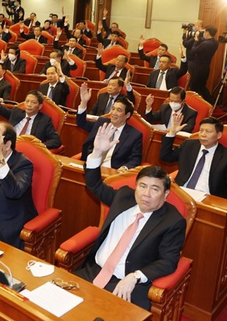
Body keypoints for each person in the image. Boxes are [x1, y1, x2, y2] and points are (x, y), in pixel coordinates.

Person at [75, 123, 186, 311]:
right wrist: (97, 153)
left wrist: (136, 276)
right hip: (93, 271)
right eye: (142, 186)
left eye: (155, 189)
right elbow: (94, 185)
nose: (146, 194)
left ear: (166, 194)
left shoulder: (172, 221)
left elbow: (168, 261)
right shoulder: (123, 197)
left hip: (127, 285)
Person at [160, 116, 227, 202]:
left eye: (208, 131)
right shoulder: (188, 145)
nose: (203, 134)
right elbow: (166, 156)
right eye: (201, 130)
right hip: (182, 193)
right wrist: (172, 133)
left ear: (219, 135)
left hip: (208, 198)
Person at [0, 79, 62, 149]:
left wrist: (39, 146)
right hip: (8, 147)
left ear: (40, 106)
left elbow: (56, 140)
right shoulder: (16, 112)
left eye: (33, 102)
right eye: (27, 101)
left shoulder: (45, 120)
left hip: (28, 151)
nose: (29, 105)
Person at [77, 90, 142, 169]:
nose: (114, 113)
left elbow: (135, 159)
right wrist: (83, 103)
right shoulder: (101, 123)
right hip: (91, 165)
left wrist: (125, 168)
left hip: (112, 171)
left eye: (119, 110)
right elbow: (81, 123)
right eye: (113, 109)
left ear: (127, 115)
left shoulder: (134, 135)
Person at [184, 25, 219, 103]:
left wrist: (196, 40)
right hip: (206, 68)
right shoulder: (215, 42)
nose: (203, 33)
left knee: (194, 87)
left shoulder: (206, 43)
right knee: (202, 86)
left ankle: (195, 103)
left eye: (204, 32)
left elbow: (193, 50)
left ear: (207, 32)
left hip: (198, 68)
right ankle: (210, 102)